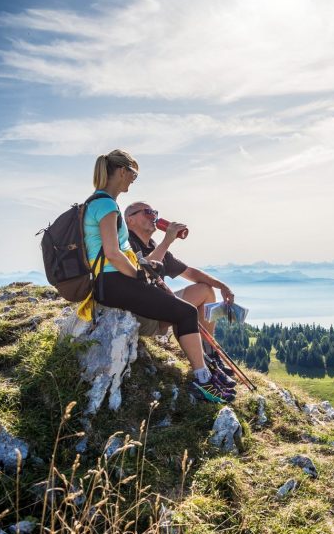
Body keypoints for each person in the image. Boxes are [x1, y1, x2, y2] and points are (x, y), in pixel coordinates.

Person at [82, 149, 235, 404]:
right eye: (134, 173)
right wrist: (138, 276)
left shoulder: (97, 202)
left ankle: (207, 364)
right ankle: (203, 380)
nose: (134, 179)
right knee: (186, 313)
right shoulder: (107, 204)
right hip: (114, 281)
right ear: (122, 172)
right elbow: (113, 252)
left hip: (109, 282)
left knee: (187, 306)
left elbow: (115, 253)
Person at [123, 201, 234, 344]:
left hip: (159, 306)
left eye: (155, 212)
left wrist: (223, 287)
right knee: (184, 310)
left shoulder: (153, 246)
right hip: (142, 312)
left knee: (206, 290)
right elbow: (144, 270)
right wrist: (167, 240)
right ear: (129, 220)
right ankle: (199, 355)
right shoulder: (126, 244)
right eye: (147, 212)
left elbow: (190, 273)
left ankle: (208, 351)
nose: (154, 216)